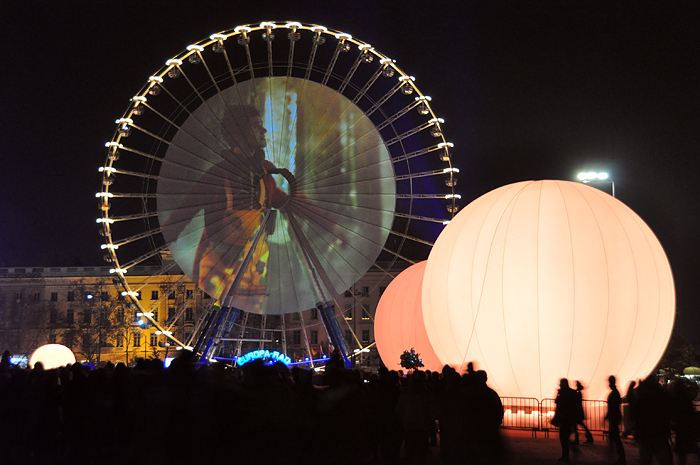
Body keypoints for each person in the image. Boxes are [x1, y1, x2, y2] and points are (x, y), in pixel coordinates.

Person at [554, 378, 578, 462]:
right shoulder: (573, 393)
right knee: (565, 436)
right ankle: (570, 452)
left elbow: (557, 402)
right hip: (570, 418)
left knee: (563, 437)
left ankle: (566, 455)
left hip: (564, 418)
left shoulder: (563, 393)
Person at [606, 375, 626, 464]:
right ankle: (615, 455)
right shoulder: (616, 393)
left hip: (614, 417)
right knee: (613, 437)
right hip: (615, 417)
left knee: (615, 437)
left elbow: (613, 406)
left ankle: (620, 457)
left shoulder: (614, 393)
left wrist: (609, 415)